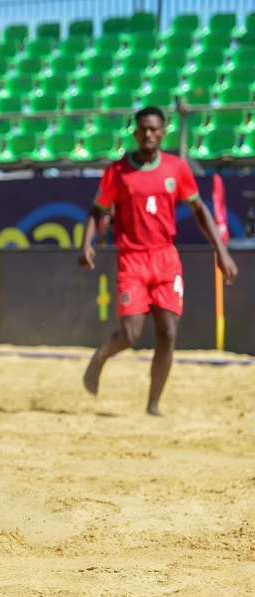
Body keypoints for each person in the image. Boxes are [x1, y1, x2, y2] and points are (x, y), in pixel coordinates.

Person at [78, 105, 238, 416]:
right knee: (130, 334)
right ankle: (100, 358)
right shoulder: (118, 171)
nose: (148, 134)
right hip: (133, 259)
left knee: (168, 331)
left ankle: (153, 405)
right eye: (143, 129)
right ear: (135, 133)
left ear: (163, 132)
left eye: (154, 129)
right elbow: (96, 211)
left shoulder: (177, 169)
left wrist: (222, 250)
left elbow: (200, 210)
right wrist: (86, 244)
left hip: (166, 258)